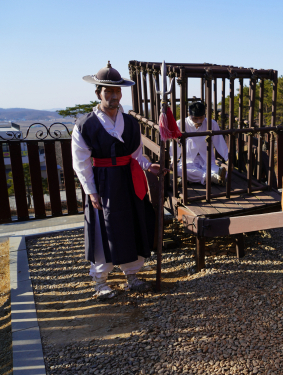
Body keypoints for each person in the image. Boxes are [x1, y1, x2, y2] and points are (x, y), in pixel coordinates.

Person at [73, 62, 165, 299]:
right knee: (105, 229)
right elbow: (81, 163)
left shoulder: (131, 122)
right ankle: (100, 281)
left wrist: (149, 165)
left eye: (117, 91)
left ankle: (132, 275)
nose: (113, 96)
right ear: (98, 93)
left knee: (133, 224)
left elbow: (135, 154)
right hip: (103, 183)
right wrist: (91, 191)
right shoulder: (86, 125)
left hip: (129, 180)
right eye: (108, 91)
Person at [171, 101, 228, 186]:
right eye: (195, 118)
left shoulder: (212, 123)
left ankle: (190, 179)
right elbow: (175, 144)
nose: (198, 121)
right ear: (188, 114)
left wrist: (227, 158)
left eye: (201, 118)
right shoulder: (180, 124)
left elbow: (219, 141)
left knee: (225, 174)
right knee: (178, 170)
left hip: (207, 159)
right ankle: (211, 177)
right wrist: (173, 159)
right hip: (188, 160)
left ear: (205, 115)